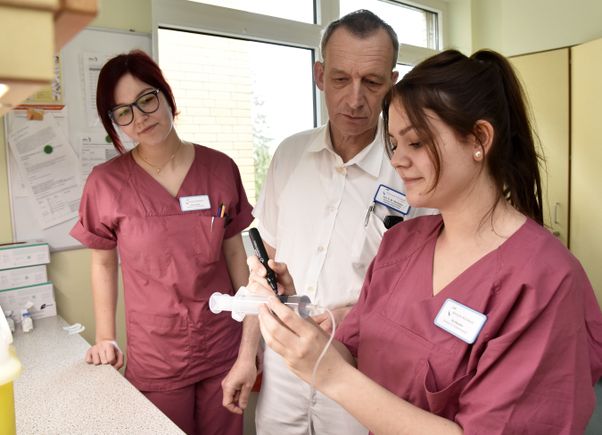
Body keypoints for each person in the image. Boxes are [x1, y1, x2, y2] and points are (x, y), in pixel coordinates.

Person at [252, 49, 602, 434]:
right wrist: (296, 319)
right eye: (393, 144)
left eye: (416, 142)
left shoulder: (544, 281)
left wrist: (332, 376)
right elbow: (353, 354)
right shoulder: (400, 245)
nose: (398, 160)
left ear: (479, 139)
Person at [222, 9, 434, 435]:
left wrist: (358, 314)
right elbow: (264, 270)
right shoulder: (290, 156)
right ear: (319, 75)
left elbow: (427, 286)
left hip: (362, 365)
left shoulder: (411, 170)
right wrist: (247, 356)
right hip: (284, 363)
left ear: (392, 83)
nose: (354, 99)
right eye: (340, 79)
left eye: (371, 82)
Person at [70, 50, 253, 435]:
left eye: (147, 100)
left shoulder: (220, 168)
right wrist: (105, 338)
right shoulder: (105, 182)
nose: (140, 118)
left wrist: (254, 333)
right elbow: (103, 262)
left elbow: (235, 252)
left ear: (166, 95)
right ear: (114, 122)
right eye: (123, 112)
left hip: (223, 344)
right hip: (157, 353)